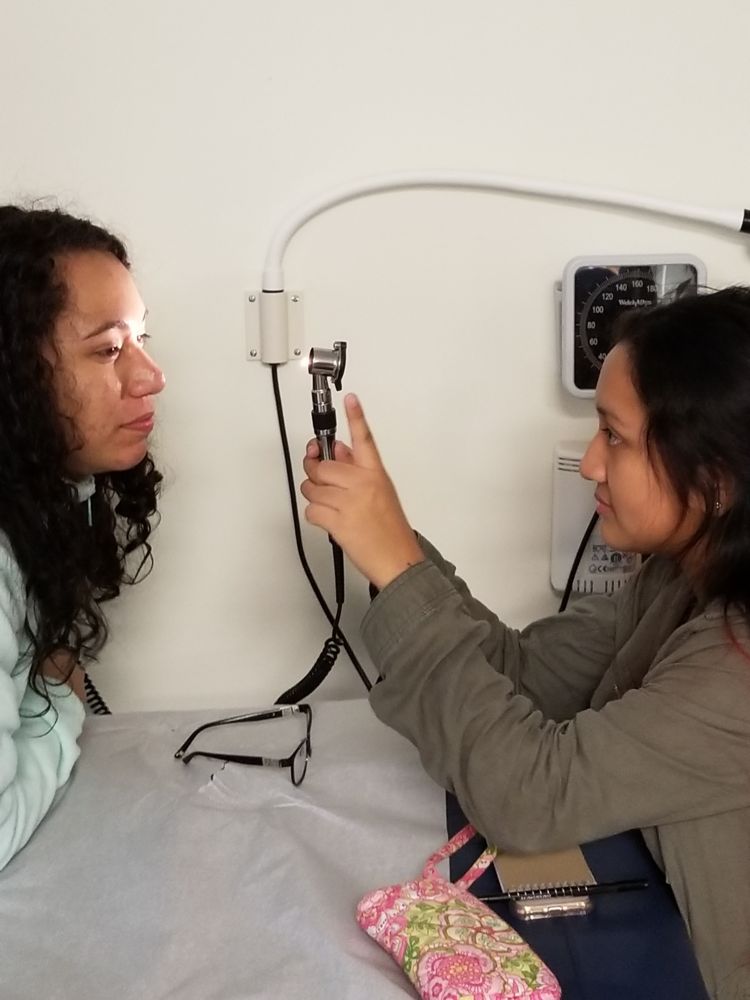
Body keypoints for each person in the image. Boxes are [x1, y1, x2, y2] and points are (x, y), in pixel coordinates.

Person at [301, 286, 750, 1000]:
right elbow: (528, 673)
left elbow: (531, 796)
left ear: (714, 480)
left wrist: (397, 566)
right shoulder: (679, 576)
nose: (591, 464)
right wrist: (392, 548)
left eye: (614, 437)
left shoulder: (737, 667)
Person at [0, 205, 165, 870]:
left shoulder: (41, 503)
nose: (151, 376)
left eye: (141, 338)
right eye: (108, 349)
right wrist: (62, 696)